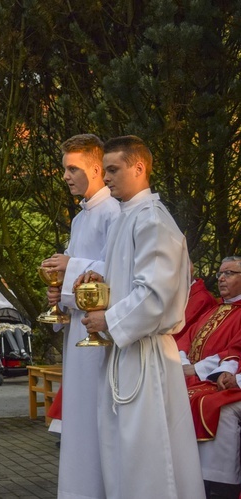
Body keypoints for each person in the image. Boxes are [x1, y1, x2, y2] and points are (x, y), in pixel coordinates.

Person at [79, 135, 204, 498]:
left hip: (146, 354)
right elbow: (133, 279)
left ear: (139, 167)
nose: (107, 178)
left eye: (114, 169)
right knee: (122, 450)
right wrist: (103, 283)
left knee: (148, 454)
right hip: (128, 350)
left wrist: (109, 319)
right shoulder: (126, 216)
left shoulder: (152, 219)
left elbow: (155, 293)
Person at [40, 133, 119, 499]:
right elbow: (80, 272)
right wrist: (59, 291)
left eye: (73, 168)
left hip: (100, 334)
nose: (66, 176)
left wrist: (71, 267)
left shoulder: (115, 213)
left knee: (96, 418)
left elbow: (118, 270)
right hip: (79, 333)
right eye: (65, 169)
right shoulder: (80, 219)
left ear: (97, 168)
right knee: (79, 420)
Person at [176, 256, 241, 498]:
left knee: (210, 404)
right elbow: (185, 339)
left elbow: (233, 351)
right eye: (220, 273)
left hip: (214, 378)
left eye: (230, 273)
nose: (222, 278)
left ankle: (220, 482)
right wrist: (182, 363)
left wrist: (198, 370)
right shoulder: (214, 309)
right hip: (198, 375)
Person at [0, 280, 31, 361]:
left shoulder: (12, 294)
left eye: (5, 282)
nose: (3, 285)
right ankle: (15, 351)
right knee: (6, 331)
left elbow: (18, 308)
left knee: (18, 329)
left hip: (13, 318)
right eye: (1, 283)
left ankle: (23, 351)